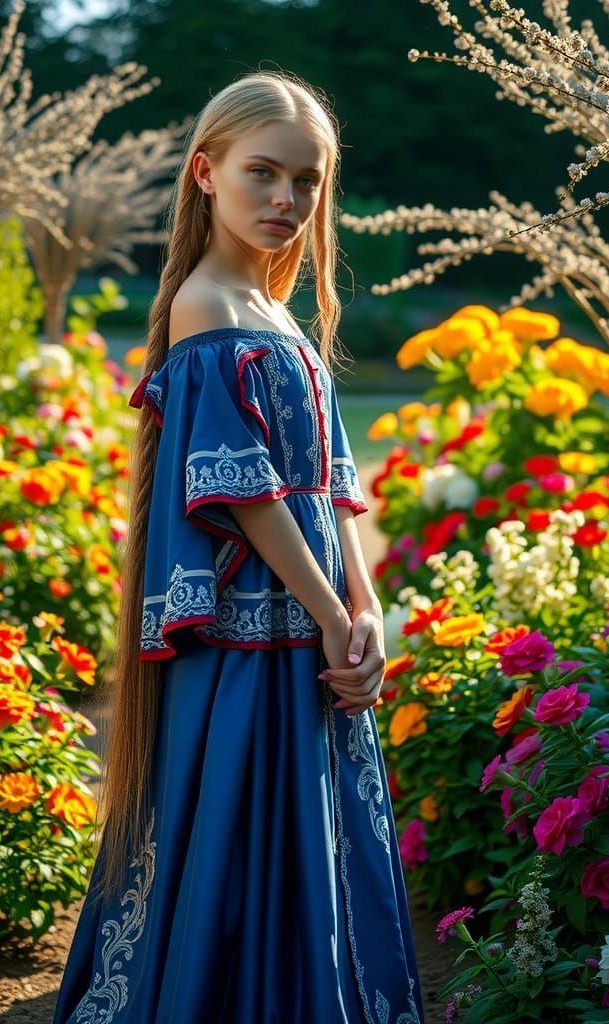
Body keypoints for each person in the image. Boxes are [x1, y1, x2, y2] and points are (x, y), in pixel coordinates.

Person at [53, 69, 425, 1024]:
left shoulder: (277, 313)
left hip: (315, 628)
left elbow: (330, 477)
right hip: (248, 643)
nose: (285, 199)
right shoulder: (207, 307)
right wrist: (331, 611)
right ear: (205, 172)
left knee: (307, 838)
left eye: (306, 180)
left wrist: (368, 605)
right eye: (263, 172)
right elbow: (246, 494)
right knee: (233, 835)